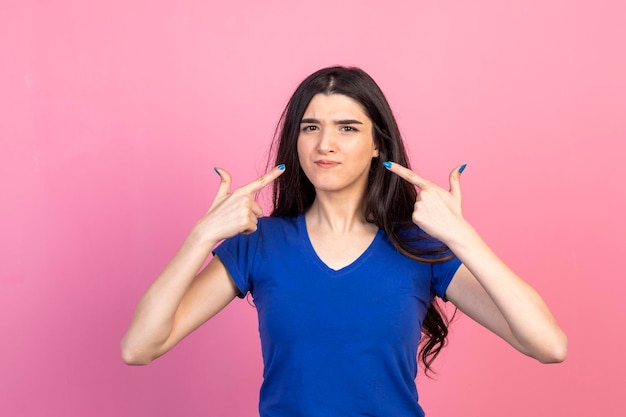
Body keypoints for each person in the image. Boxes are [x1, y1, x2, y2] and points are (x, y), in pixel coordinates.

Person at [121, 66, 567, 416]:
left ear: (378, 144)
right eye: (310, 127)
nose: (325, 145)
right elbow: (139, 348)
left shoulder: (419, 248)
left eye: (348, 128)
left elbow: (548, 345)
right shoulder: (259, 244)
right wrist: (200, 236)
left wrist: (462, 237)